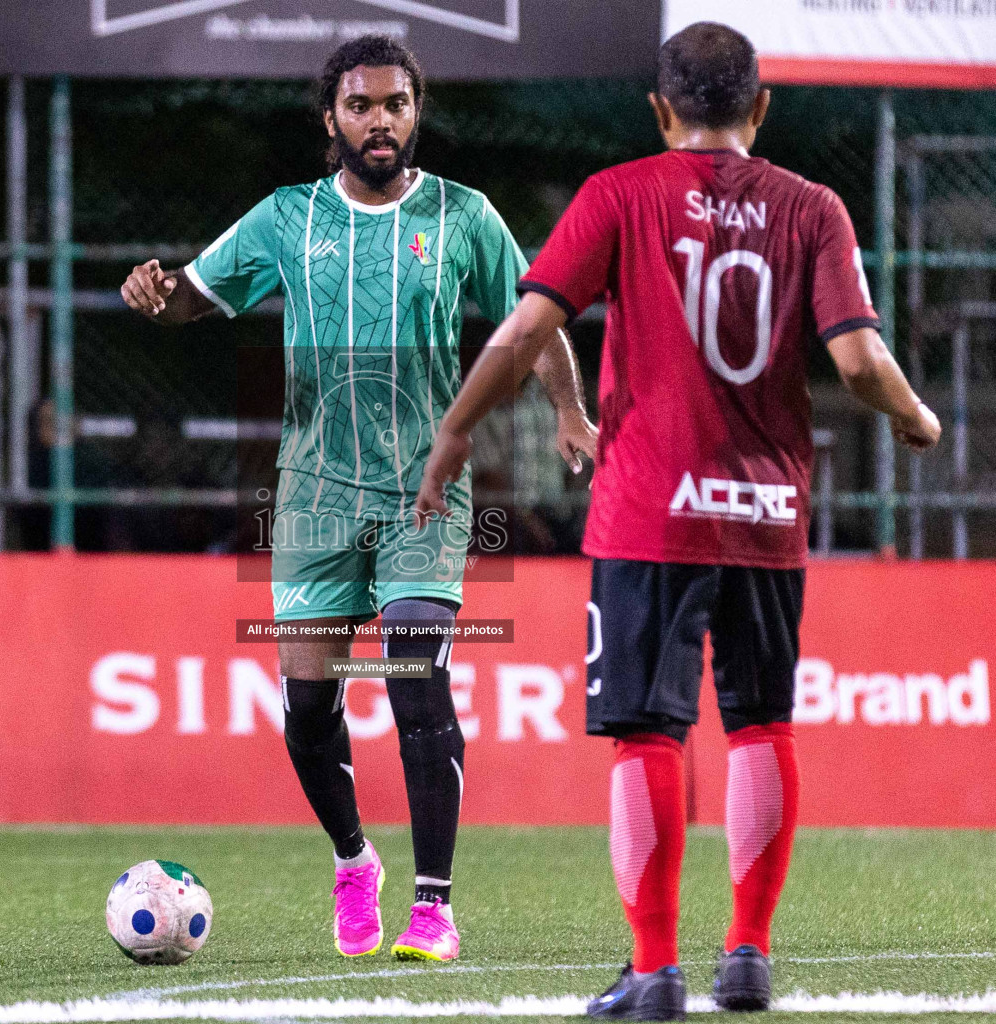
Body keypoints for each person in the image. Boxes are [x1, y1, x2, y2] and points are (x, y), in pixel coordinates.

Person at [416, 22, 940, 1019]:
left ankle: (654, 966)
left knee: (648, 732)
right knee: (760, 722)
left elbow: (529, 327)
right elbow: (862, 362)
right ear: (763, 107)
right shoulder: (811, 206)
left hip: (649, 510)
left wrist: (454, 434)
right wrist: (916, 417)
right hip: (765, 511)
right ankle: (746, 952)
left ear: (660, 109)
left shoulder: (619, 194)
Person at [121, 35, 596, 962]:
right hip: (314, 497)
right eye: (360, 106)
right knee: (309, 705)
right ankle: (353, 859)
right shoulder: (286, 220)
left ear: (416, 111)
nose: (380, 121)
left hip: (425, 488)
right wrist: (155, 290)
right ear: (329, 118)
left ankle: (433, 906)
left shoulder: (463, 217)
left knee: (416, 680)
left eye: (396, 104)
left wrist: (569, 413)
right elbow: (195, 297)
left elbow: (534, 319)